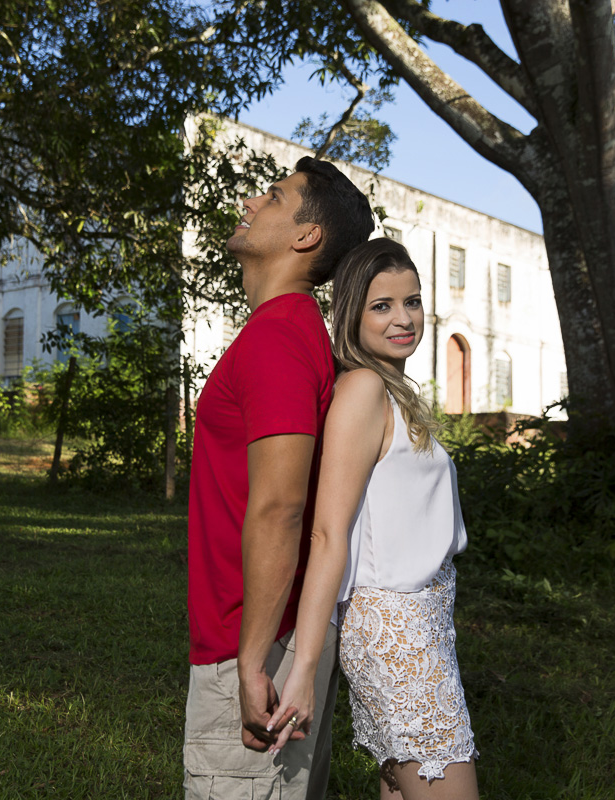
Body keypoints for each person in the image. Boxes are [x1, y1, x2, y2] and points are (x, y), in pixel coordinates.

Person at [183, 156, 374, 800]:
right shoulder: (284, 332)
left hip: (256, 638)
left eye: (273, 196)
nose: (251, 202)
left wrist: (250, 660)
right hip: (260, 632)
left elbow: (281, 508)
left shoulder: (280, 338)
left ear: (306, 236)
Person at [267, 238, 480, 800]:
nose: (403, 318)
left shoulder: (392, 389)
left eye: (412, 302)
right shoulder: (363, 389)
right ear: (351, 314)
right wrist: (306, 668)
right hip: (395, 629)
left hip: (424, 623)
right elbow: (328, 532)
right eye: (381, 306)